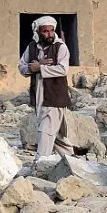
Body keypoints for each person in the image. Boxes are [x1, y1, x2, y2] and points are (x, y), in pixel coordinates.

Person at [18, 16, 74, 160]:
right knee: (57, 137)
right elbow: (22, 67)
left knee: (45, 132)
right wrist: (31, 68)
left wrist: (40, 67)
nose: (49, 34)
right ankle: (73, 162)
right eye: (45, 31)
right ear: (38, 32)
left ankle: (40, 163)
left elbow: (63, 69)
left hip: (55, 98)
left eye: (51, 31)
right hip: (38, 98)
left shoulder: (60, 47)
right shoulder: (32, 47)